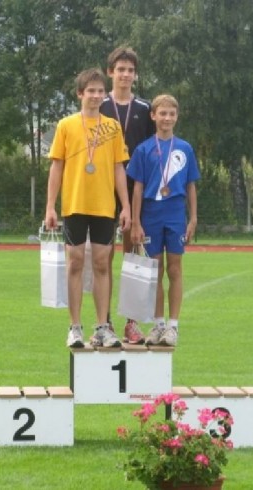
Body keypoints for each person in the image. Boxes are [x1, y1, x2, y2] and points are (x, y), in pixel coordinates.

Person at [45, 68, 131, 349]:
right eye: (90, 91)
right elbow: (56, 167)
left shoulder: (113, 127)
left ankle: (103, 327)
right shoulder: (66, 125)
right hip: (74, 205)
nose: (95, 95)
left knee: (102, 264)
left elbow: (119, 168)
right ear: (80, 94)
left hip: (104, 206)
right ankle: (75, 328)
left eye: (100, 91)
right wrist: (50, 206)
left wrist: (126, 206)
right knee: (75, 263)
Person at [126, 94, 200, 347]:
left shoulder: (185, 148)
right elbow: (137, 188)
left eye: (171, 114)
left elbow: (191, 186)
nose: (167, 118)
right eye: (162, 113)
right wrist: (136, 222)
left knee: (175, 269)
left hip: (176, 214)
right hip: (151, 215)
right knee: (155, 271)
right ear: (153, 116)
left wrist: (193, 218)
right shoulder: (143, 149)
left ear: (177, 117)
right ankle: (158, 325)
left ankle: (173, 326)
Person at [100, 46, 155, 344]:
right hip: (103, 189)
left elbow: (151, 152)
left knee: (132, 257)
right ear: (110, 72)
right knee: (103, 258)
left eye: (130, 70)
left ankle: (131, 323)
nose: (125, 75)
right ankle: (105, 321)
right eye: (120, 69)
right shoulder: (99, 104)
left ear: (135, 75)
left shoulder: (145, 109)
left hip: (135, 191)